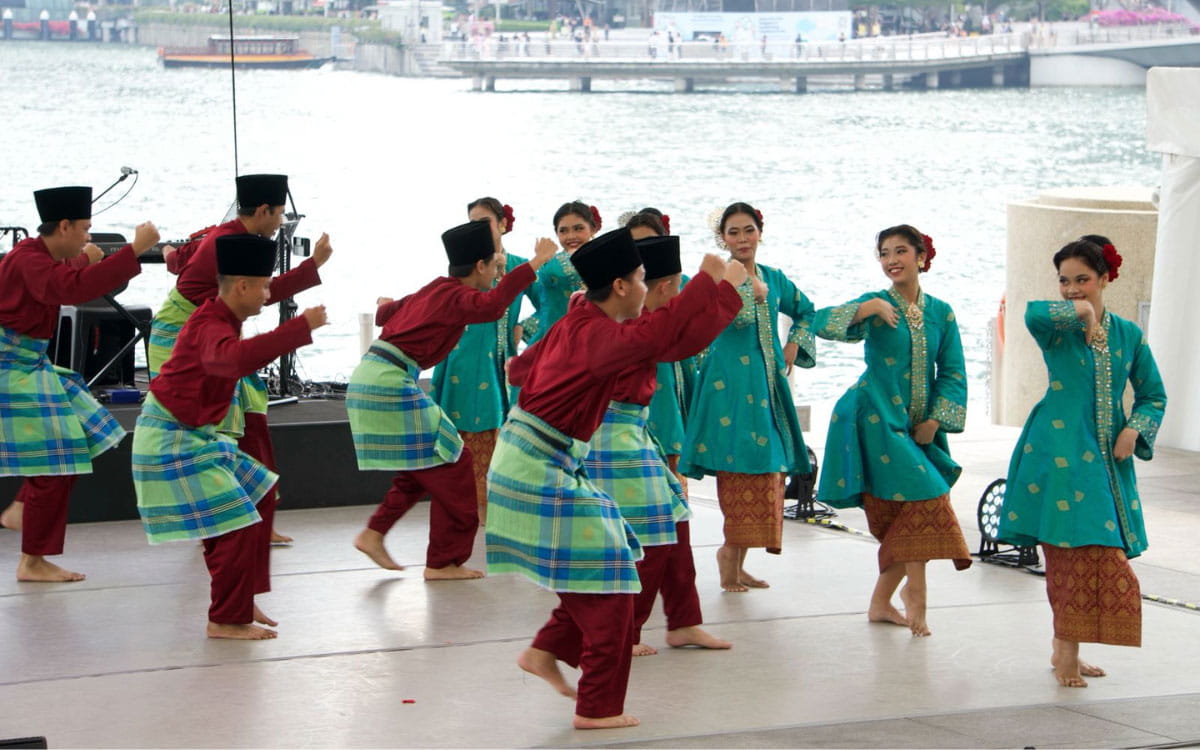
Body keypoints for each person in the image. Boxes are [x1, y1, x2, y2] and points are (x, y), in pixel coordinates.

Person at [487, 228, 745, 730]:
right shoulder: (597, 335)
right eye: (643, 278)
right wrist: (712, 282)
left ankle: (547, 651)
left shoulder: (582, 319)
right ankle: (597, 706)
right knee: (613, 577)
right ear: (623, 286)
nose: (648, 287)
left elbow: (520, 370)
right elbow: (656, 336)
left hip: (536, 457)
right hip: (536, 465)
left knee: (607, 563)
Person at [133, 234, 326, 640]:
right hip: (170, 439)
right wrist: (298, 328)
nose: (269, 294)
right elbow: (230, 362)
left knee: (258, 494)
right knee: (236, 521)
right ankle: (225, 618)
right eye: (265, 287)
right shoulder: (209, 323)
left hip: (194, 435)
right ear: (242, 286)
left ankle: (239, 598)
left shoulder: (222, 318)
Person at [998, 236, 1165, 687]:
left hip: (1108, 457)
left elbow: (1153, 394)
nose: (1071, 289)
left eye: (1083, 280)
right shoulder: (1058, 328)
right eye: (1064, 281)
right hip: (1058, 452)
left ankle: (1064, 645)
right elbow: (1031, 312)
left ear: (1105, 278)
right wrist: (1084, 313)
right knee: (1065, 552)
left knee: (1099, 552)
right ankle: (1067, 651)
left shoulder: (1129, 335)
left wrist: (1134, 430)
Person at [349, 219, 555, 579]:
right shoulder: (457, 296)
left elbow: (386, 314)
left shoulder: (438, 288)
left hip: (372, 375)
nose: (497, 274)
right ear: (479, 266)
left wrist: (386, 305)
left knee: (425, 462)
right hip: (389, 381)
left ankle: (375, 533)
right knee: (455, 460)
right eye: (495, 266)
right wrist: (536, 263)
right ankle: (443, 561)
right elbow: (492, 306)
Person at [148, 174, 332, 549]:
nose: (281, 222)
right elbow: (264, 294)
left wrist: (168, 253)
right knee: (220, 431)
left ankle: (256, 517)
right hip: (186, 339)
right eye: (279, 214)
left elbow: (182, 261)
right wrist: (312, 266)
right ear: (263, 211)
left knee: (252, 421)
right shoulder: (224, 241)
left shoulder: (230, 237)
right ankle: (221, 520)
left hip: (214, 333)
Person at [813, 225, 971, 637]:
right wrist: (866, 310)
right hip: (874, 418)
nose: (891, 260)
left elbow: (953, 371)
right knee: (926, 498)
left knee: (907, 516)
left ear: (921, 256)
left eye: (900, 251)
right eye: (884, 253)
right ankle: (916, 592)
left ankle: (881, 603)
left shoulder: (941, 312)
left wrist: (935, 421)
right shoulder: (877, 303)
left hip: (920, 427)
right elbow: (821, 323)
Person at [587, 233, 739, 656]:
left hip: (631, 434)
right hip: (611, 438)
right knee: (651, 537)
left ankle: (683, 622)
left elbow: (683, 334)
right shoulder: (631, 326)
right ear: (665, 288)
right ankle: (625, 632)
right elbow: (687, 339)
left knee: (675, 521)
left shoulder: (628, 319)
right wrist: (726, 288)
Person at [0, 187, 158, 581]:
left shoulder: (40, 257)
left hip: (30, 364)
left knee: (79, 438)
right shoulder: (28, 260)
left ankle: (24, 511)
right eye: (85, 229)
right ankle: (32, 560)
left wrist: (84, 259)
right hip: (10, 366)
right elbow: (69, 288)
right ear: (64, 226)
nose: (89, 235)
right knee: (60, 456)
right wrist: (134, 250)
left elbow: (63, 276)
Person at [679, 202, 816, 593]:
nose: (742, 239)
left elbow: (807, 312)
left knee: (769, 470)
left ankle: (739, 560)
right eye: (733, 232)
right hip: (729, 390)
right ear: (722, 238)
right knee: (737, 468)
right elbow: (688, 316)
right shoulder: (714, 277)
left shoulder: (774, 278)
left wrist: (794, 344)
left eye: (748, 230)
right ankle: (728, 556)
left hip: (768, 388)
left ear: (760, 233)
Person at [430, 197, 542, 524]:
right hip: (459, 357)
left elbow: (549, 305)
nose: (477, 230)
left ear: (503, 224)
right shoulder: (467, 264)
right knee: (458, 433)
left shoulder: (521, 266)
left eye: (484, 223)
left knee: (496, 432)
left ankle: (490, 507)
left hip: (499, 363)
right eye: (472, 223)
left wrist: (525, 328)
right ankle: (464, 506)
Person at [520, 201, 600, 345]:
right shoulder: (550, 265)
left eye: (578, 228)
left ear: (593, 229)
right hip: (558, 338)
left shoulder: (607, 258)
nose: (571, 236)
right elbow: (546, 304)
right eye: (563, 231)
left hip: (598, 335)